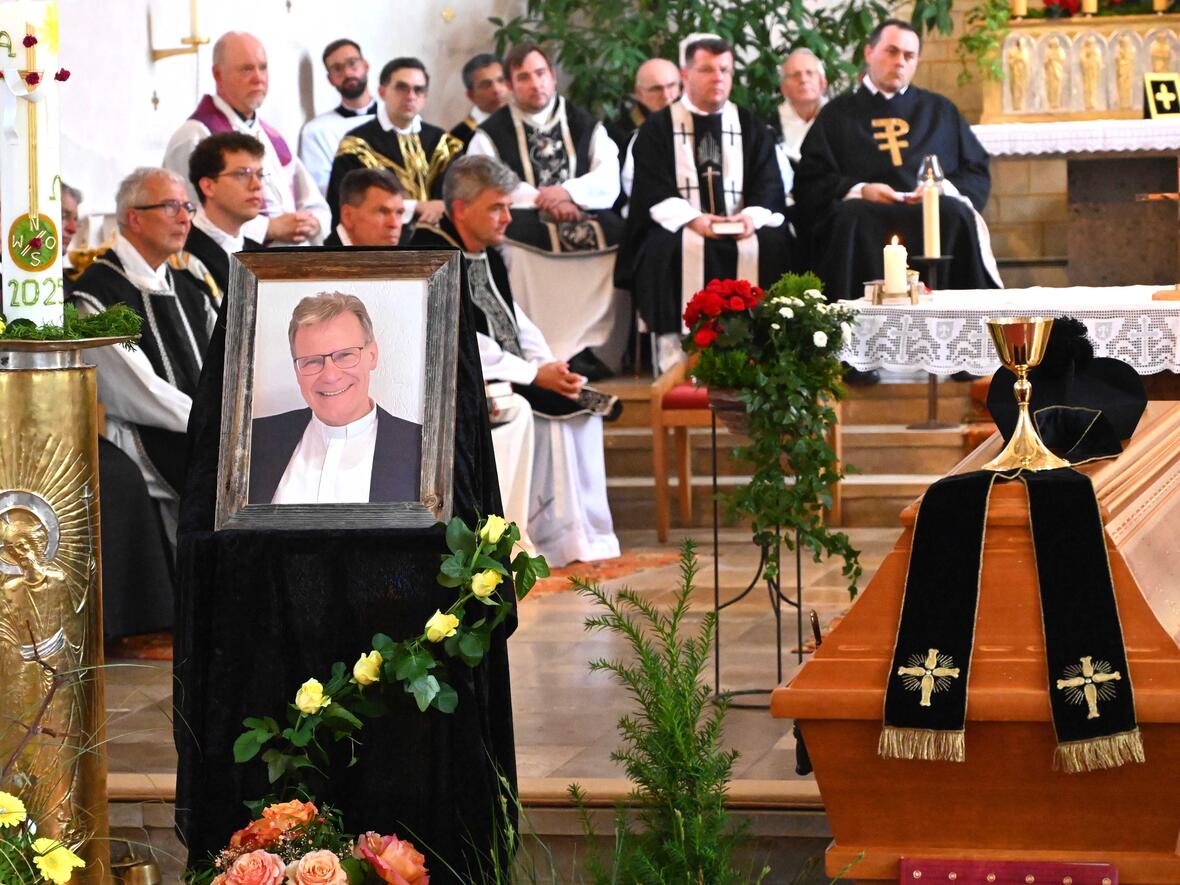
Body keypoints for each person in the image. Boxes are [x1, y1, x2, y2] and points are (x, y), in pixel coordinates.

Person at [411, 156, 620, 567]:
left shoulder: (485, 247)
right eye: (496, 208)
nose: (508, 217)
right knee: (546, 408)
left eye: (508, 206)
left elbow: (513, 316)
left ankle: (585, 536)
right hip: (466, 380)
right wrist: (532, 374)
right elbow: (459, 339)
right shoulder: (430, 251)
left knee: (581, 402)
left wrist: (548, 364)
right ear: (460, 210)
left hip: (512, 368)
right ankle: (542, 535)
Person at [618, 35, 792, 372]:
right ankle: (673, 356)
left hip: (740, 224)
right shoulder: (657, 129)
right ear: (686, 75)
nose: (718, 78)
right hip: (683, 226)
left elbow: (770, 183)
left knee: (774, 243)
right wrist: (693, 220)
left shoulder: (751, 127)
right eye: (708, 70)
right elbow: (650, 189)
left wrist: (750, 218)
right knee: (663, 248)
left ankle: (764, 350)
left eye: (725, 70)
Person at [795, 19, 999, 303]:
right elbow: (810, 180)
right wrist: (861, 189)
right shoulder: (836, 114)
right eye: (891, 51)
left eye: (909, 55)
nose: (900, 62)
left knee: (955, 214)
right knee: (848, 218)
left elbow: (976, 171)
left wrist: (936, 191)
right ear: (869, 53)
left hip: (932, 213)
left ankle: (960, 318)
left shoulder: (940, 110)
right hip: (864, 215)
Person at [70, 167, 216, 544]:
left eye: (187, 207)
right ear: (134, 217)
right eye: (170, 207)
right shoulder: (95, 294)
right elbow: (138, 391)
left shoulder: (192, 289)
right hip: (140, 444)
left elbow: (224, 362)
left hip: (202, 436)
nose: (185, 218)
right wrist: (214, 426)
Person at [467, 43, 627, 380]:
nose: (535, 83)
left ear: (553, 77)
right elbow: (482, 179)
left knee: (621, 242)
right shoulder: (490, 134)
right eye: (523, 77)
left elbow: (608, 176)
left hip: (582, 210)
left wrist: (569, 193)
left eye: (540, 74)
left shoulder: (586, 125)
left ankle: (594, 351)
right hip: (522, 217)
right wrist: (545, 199)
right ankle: (538, 354)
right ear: (510, 85)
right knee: (515, 252)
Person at [249, 292, 421, 505]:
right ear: (296, 369)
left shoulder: (423, 449)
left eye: (345, 355)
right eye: (312, 361)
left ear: (372, 355)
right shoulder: (253, 441)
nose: (330, 375)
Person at [164, 31, 330, 246]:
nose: (258, 78)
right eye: (246, 69)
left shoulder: (272, 136)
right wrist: (268, 228)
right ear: (218, 75)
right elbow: (190, 214)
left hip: (291, 264)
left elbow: (313, 201)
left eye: (263, 67)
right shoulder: (196, 135)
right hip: (232, 266)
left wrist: (312, 223)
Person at [326, 56, 462, 230]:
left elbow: (456, 199)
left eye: (418, 90)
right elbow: (347, 205)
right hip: (380, 245)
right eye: (402, 88)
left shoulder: (443, 143)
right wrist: (417, 207)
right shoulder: (356, 145)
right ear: (382, 92)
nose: (411, 96)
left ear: (425, 96)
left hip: (436, 242)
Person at [183, 132, 265, 297]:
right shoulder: (182, 254)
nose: (256, 185)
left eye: (260, 175)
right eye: (242, 174)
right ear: (208, 186)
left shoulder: (260, 255)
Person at [299, 39, 379, 195]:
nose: (347, 73)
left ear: (366, 66)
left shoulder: (396, 117)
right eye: (337, 69)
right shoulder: (316, 131)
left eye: (352, 63)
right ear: (330, 79)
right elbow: (321, 188)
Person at [608, 57, 682, 155]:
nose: (666, 95)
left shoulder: (693, 120)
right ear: (639, 93)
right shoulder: (620, 134)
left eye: (671, 86)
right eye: (656, 89)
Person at [777, 48, 828, 182]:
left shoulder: (840, 118)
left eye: (810, 73)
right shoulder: (770, 127)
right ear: (783, 88)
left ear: (823, 83)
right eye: (795, 75)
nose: (804, 79)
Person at [324, 168, 405, 246]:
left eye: (399, 213)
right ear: (348, 216)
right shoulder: (320, 259)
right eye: (382, 212)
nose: (394, 224)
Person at [449, 53, 510, 151]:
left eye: (501, 80)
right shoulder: (457, 139)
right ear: (471, 96)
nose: (496, 89)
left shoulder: (522, 121)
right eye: (486, 85)